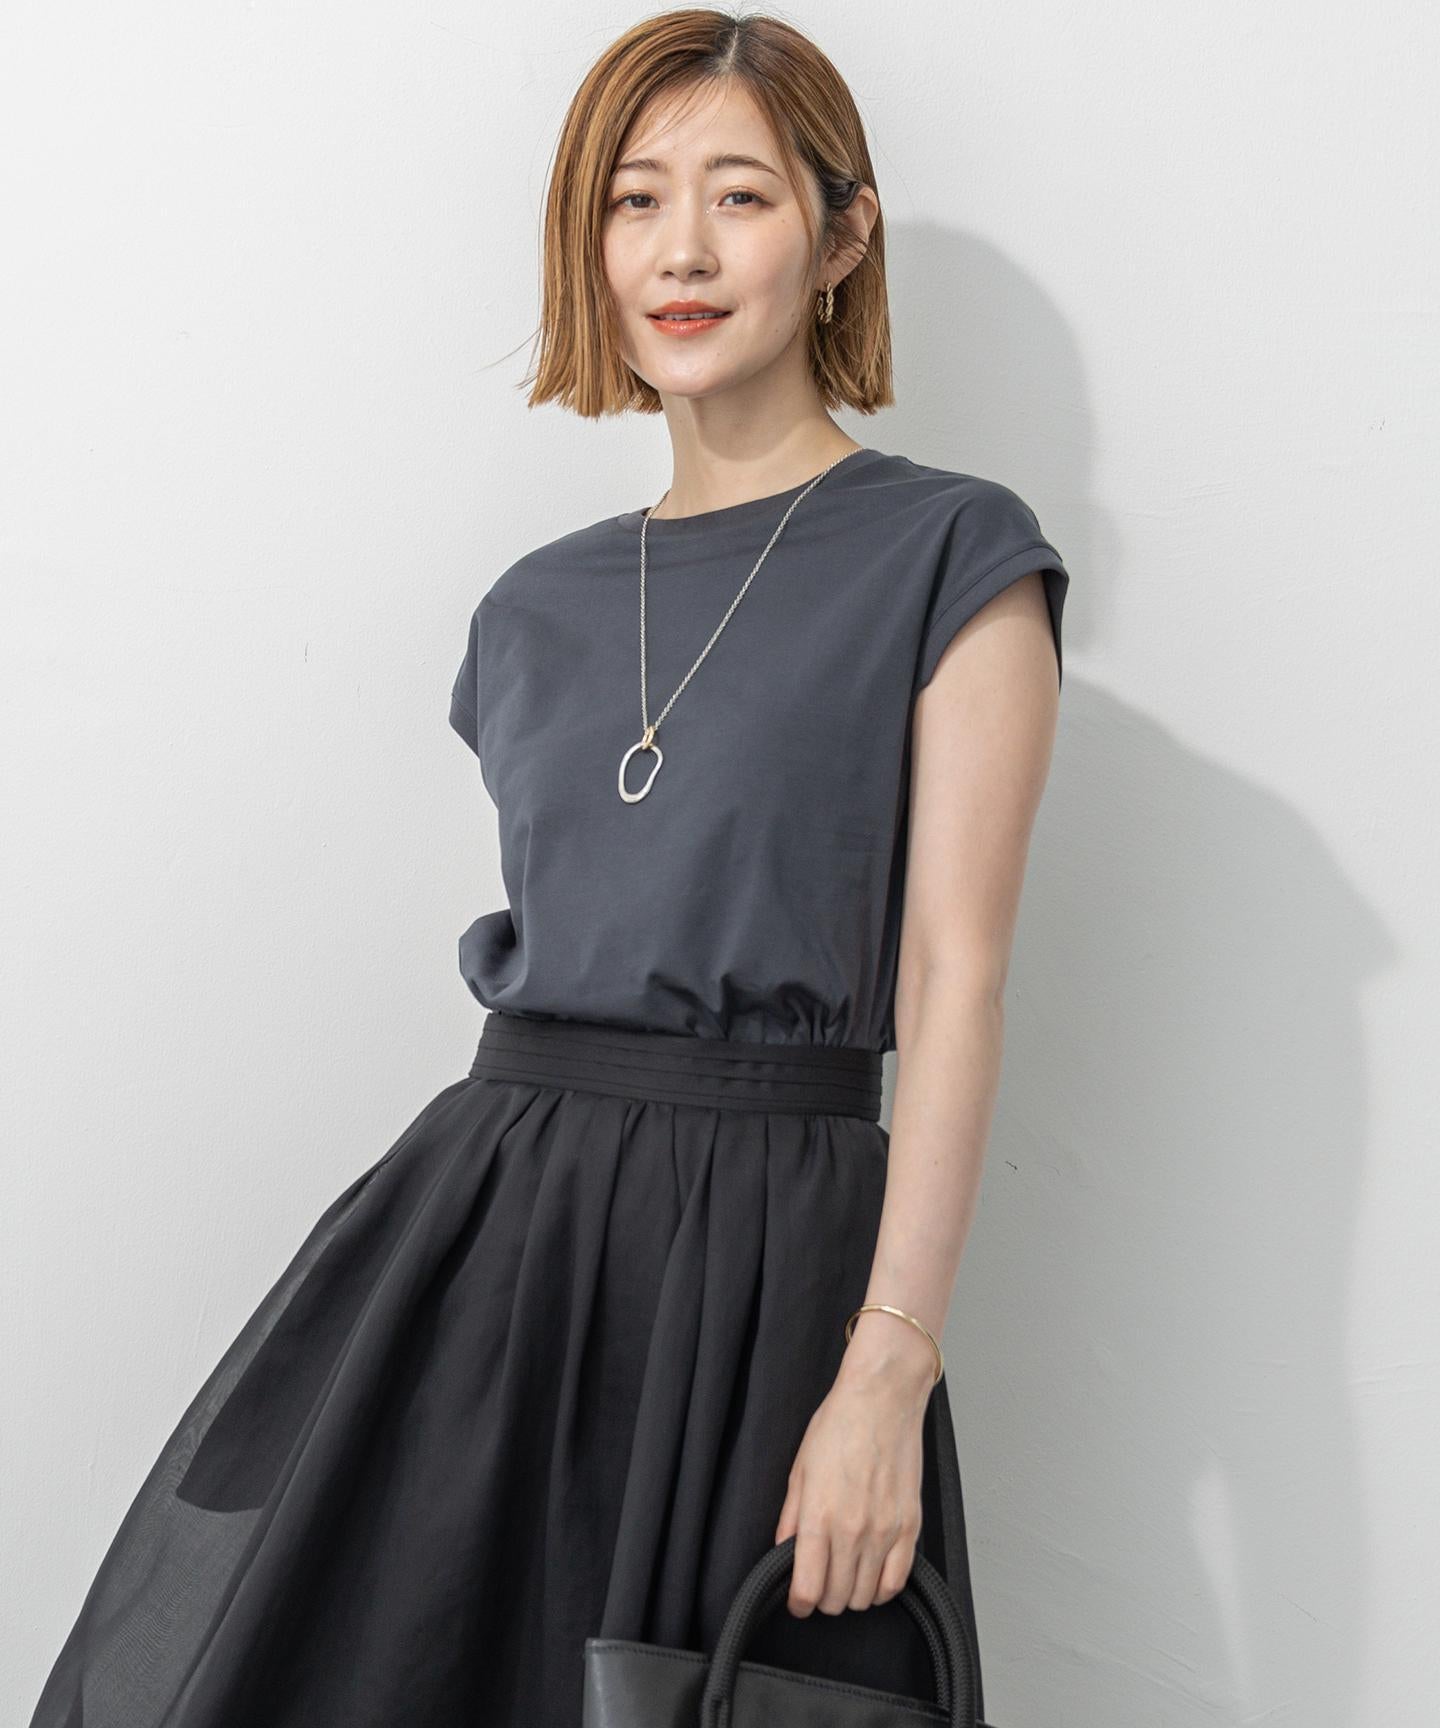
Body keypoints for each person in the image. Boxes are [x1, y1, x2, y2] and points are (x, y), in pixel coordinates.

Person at [27, 10, 1070, 1726]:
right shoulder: (534, 607)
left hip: (766, 1250)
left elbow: (956, 975)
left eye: (740, 196)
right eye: (633, 199)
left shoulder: (953, 553)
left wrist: (890, 1361)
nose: (679, 250)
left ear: (841, 238)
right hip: (493, 1235)